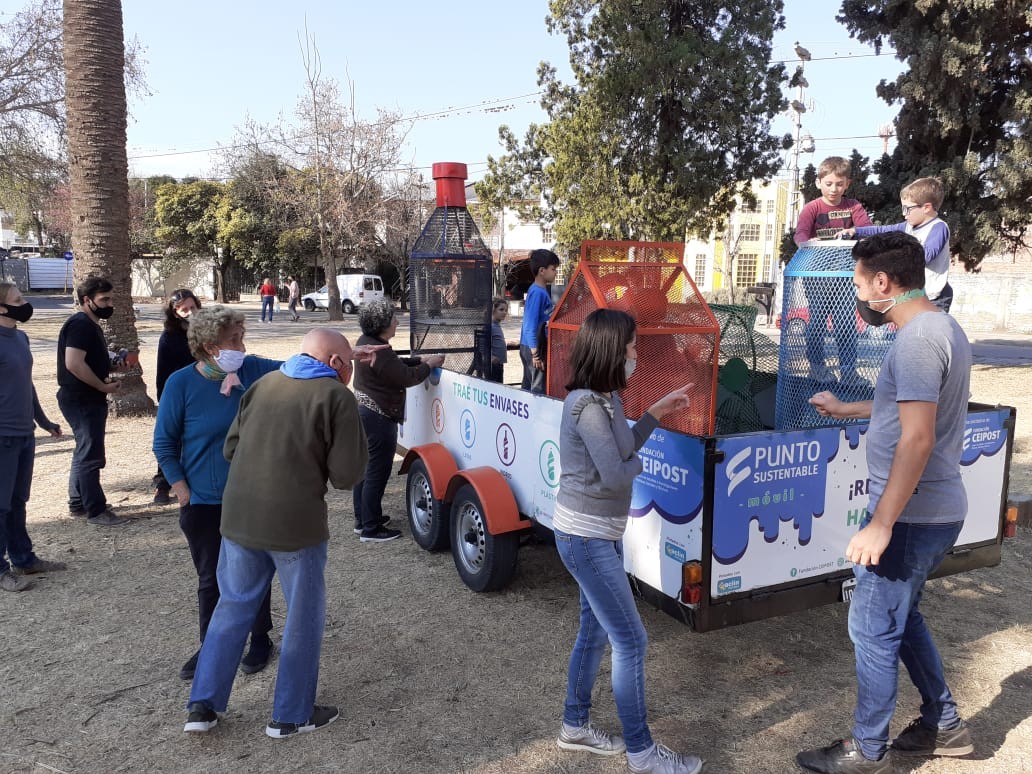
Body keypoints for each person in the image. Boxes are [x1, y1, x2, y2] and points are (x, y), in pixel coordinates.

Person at [799, 231, 973, 774]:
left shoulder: (918, 339)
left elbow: (918, 438)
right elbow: (903, 411)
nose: (856, 295)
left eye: (855, 283)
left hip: (914, 516)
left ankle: (865, 750)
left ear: (882, 282)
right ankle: (943, 724)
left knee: (871, 628)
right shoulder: (940, 327)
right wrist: (849, 408)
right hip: (933, 511)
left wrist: (880, 524)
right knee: (902, 617)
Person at [183, 328, 369, 739]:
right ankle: (290, 715)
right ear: (336, 364)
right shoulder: (335, 396)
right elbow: (346, 475)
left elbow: (231, 449)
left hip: (238, 517)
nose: (351, 371)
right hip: (295, 524)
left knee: (231, 607)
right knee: (303, 616)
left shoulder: (264, 383)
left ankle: (203, 705)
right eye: (349, 364)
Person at [552, 308, 701, 774]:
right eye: (633, 347)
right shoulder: (585, 405)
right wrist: (637, 466)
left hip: (599, 535)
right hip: (585, 536)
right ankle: (642, 754)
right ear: (611, 351)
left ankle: (575, 725)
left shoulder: (608, 398)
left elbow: (625, 448)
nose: (637, 354)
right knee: (632, 641)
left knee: (595, 630)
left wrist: (655, 413)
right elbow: (617, 475)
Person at [153, 305, 280, 681]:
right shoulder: (181, 383)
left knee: (254, 571)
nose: (241, 346)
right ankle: (211, 643)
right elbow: (164, 443)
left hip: (251, 497)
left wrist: (347, 354)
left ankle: (260, 638)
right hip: (203, 502)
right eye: (233, 340)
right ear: (210, 347)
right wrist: (181, 489)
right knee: (211, 578)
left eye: (241, 337)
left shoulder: (252, 370)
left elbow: (299, 367)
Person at [352, 298, 444, 542]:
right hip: (378, 417)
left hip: (366, 413)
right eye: (393, 318)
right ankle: (371, 529)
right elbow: (405, 377)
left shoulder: (368, 343)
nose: (397, 321)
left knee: (366, 470)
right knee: (377, 472)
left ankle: (363, 520)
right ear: (382, 324)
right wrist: (429, 365)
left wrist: (419, 360)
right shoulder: (378, 350)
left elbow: (394, 365)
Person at [0, 283, 66, 592]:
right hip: (3, 436)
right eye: (18, 300)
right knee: (1, 505)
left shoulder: (21, 337)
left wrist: (44, 421)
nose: (25, 304)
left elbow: (27, 385)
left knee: (17, 501)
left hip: (25, 434)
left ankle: (23, 559)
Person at [794, 157, 874, 384]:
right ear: (819, 182)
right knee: (817, 322)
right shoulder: (812, 208)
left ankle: (848, 371)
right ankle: (817, 368)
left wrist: (853, 231)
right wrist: (810, 243)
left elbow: (868, 230)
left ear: (847, 184)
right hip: (817, 276)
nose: (833, 189)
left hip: (846, 276)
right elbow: (799, 235)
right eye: (828, 183)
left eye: (839, 184)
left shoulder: (853, 207)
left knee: (846, 323)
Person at [56, 276, 126, 527]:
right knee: (91, 455)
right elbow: (73, 363)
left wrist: (109, 363)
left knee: (84, 450)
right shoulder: (81, 325)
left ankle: (78, 502)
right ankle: (95, 510)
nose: (109, 303)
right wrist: (102, 386)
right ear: (87, 300)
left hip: (85, 397)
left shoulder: (89, 323)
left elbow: (86, 359)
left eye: (111, 298)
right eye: (103, 299)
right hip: (81, 398)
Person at [838, 177, 953, 312]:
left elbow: (925, 256)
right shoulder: (908, 226)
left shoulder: (938, 228)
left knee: (930, 330)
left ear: (926, 207)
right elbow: (882, 230)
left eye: (907, 209)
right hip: (914, 295)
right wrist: (855, 231)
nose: (904, 214)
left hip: (934, 297)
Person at [152, 288, 200, 505]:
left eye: (193, 307)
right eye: (184, 310)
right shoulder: (169, 337)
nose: (190, 313)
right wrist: (165, 401)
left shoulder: (207, 331)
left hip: (203, 393)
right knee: (171, 440)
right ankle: (163, 483)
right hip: (178, 395)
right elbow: (163, 372)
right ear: (174, 313)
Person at [519, 248, 560, 394]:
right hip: (534, 347)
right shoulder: (537, 292)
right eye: (553, 269)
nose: (555, 272)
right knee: (537, 390)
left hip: (532, 346)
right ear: (542, 271)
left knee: (528, 387)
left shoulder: (540, 291)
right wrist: (535, 354)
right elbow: (530, 325)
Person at [488, 297, 510, 383]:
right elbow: (482, 345)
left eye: (506, 310)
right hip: (493, 365)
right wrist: (491, 357)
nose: (504, 312)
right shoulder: (491, 326)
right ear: (493, 309)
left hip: (499, 364)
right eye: (501, 309)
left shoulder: (496, 325)